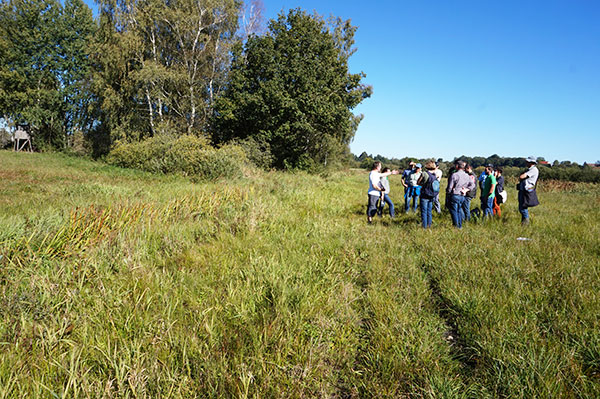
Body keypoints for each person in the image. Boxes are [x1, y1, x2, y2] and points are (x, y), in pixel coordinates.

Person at [446, 160, 475, 228]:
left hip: (455, 194)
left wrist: (449, 192)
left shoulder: (454, 175)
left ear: (457, 166)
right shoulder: (467, 175)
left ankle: (456, 226)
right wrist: (466, 190)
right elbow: (473, 185)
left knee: (454, 211)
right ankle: (460, 225)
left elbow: (450, 187)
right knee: (459, 210)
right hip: (462, 195)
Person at [517, 157, 540, 225]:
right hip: (524, 190)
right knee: (522, 207)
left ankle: (525, 223)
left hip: (526, 190)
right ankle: (523, 222)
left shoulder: (533, 170)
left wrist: (521, 175)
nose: (526, 163)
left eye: (527, 162)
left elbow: (522, 177)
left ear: (531, 163)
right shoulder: (530, 169)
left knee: (523, 207)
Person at [417, 161, 439, 228]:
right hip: (432, 194)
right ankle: (429, 225)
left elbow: (418, 182)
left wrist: (422, 184)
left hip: (424, 194)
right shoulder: (435, 175)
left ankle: (424, 227)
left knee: (424, 211)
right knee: (429, 211)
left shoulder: (424, 173)